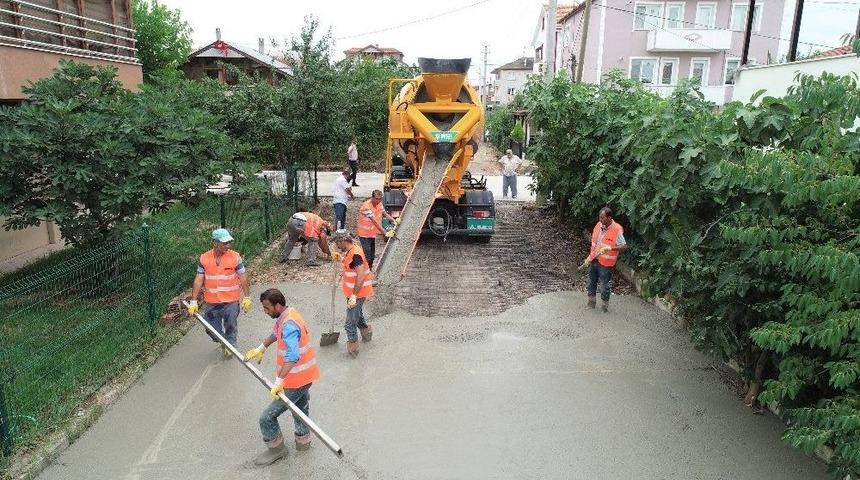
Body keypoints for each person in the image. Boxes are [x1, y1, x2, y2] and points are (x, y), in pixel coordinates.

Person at [243, 288, 320, 466]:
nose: (265, 311)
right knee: (299, 409)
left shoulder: (289, 325)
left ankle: (277, 450)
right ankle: (303, 444)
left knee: (267, 417)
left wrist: (279, 382)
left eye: (267, 308)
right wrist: (261, 348)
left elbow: (292, 356)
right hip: (305, 376)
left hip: (296, 380)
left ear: (278, 306)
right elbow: (275, 333)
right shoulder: (286, 315)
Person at [187, 228, 252, 357]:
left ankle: (231, 344)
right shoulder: (204, 258)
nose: (228, 245)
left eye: (229, 242)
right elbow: (199, 279)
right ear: (215, 243)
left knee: (230, 324)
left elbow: (243, 276)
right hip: (211, 302)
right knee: (211, 329)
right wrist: (193, 301)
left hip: (231, 301)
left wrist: (247, 297)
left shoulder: (235, 257)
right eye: (225, 243)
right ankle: (224, 342)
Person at [331, 230, 374, 358]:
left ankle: (353, 350)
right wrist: (341, 260)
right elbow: (352, 267)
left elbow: (360, 276)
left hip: (358, 293)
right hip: (353, 292)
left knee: (349, 323)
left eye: (337, 243)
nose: (337, 246)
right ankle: (367, 334)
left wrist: (354, 296)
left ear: (342, 241)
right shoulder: (352, 250)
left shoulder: (356, 254)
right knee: (358, 315)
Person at [586, 207, 628, 312]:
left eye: (602, 218)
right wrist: (589, 258)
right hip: (594, 259)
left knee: (604, 285)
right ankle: (591, 302)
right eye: (599, 217)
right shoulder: (598, 225)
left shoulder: (617, 229)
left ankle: (604, 306)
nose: (600, 220)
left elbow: (624, 247)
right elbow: (594, 244)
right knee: (591, 281)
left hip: (606, 263)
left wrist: (611, 248)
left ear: (609, 217)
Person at [356, 189, 397, 270]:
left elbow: (385, 214)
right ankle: (365, 273)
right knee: (368, 256)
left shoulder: (379, 204)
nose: (378, 201)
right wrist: (385, 233)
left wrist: (394, 220)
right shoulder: (366, 207)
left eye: (380, 199)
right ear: (372, 197)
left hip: (371, 233)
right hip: (364, 234)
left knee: (372, 256)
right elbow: (374, 222)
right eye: (377, 199)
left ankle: (369, 271)